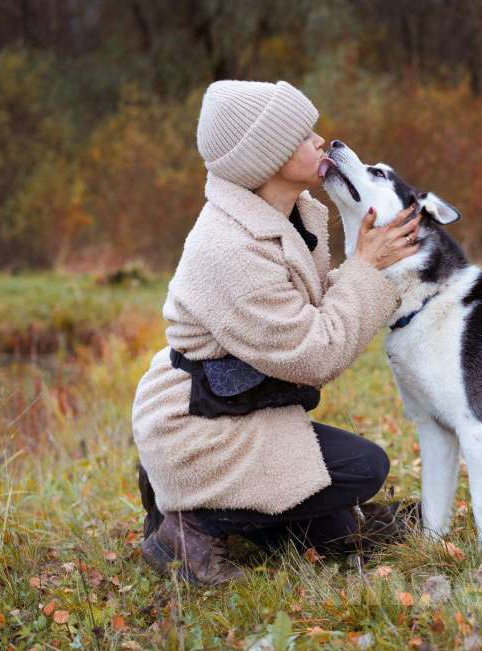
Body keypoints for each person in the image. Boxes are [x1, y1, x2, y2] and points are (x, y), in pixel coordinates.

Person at [131, 80, 423, 585]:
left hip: (237, 406)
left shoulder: (291, 214)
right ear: (265, 158)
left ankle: (209, 504)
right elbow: (313, 352)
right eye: (301, 134)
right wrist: (368, 269)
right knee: (364, 468)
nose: (319, 140)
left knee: (330, 531)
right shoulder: (228, 248)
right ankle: (188, 526)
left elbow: (303, 309)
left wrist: (364, 267)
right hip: (198, 425)